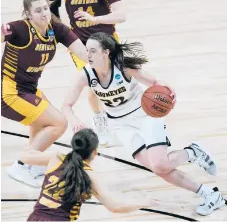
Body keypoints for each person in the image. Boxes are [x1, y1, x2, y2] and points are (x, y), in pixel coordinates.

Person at [61, 32, 226, 216]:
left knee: (161, 165)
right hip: (120, 125)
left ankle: (192, 153)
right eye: (87, 51)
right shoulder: (84, 75)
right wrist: (74, 120)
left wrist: (167, 91)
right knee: (159, 169)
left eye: (93, 51)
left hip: (145, 116)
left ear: (105, 52)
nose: (88, 55)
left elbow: (155, 82)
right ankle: (210, 194)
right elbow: (66, 105)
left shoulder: (123, 67)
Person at [1, 0, 89, 188]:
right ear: (28, 14)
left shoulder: (56, 29)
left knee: (43, 122)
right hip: (9, 93)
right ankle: (22, 165)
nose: (44, 13)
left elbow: (82, 52)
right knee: (59, 123)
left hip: (29, 89)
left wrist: (109, 62)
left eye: (45, 8)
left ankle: (33, 163)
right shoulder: (19, 29)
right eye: (38, 10)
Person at [22, 128, 178, 221]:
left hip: (34, 218)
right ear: (95, 152)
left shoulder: (55, 157)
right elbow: (115, 207)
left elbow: (25, 156)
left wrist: (41, 130)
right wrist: (144, 202)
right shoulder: (90, 176)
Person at [46, 0, 126, 145]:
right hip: (81, 45)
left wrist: (95, 19)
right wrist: (58, 26)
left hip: (107, 41)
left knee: (117, 82)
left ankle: (119, 117)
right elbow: (41, 4)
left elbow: (121, 15)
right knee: (94, 83)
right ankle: (100, 120)